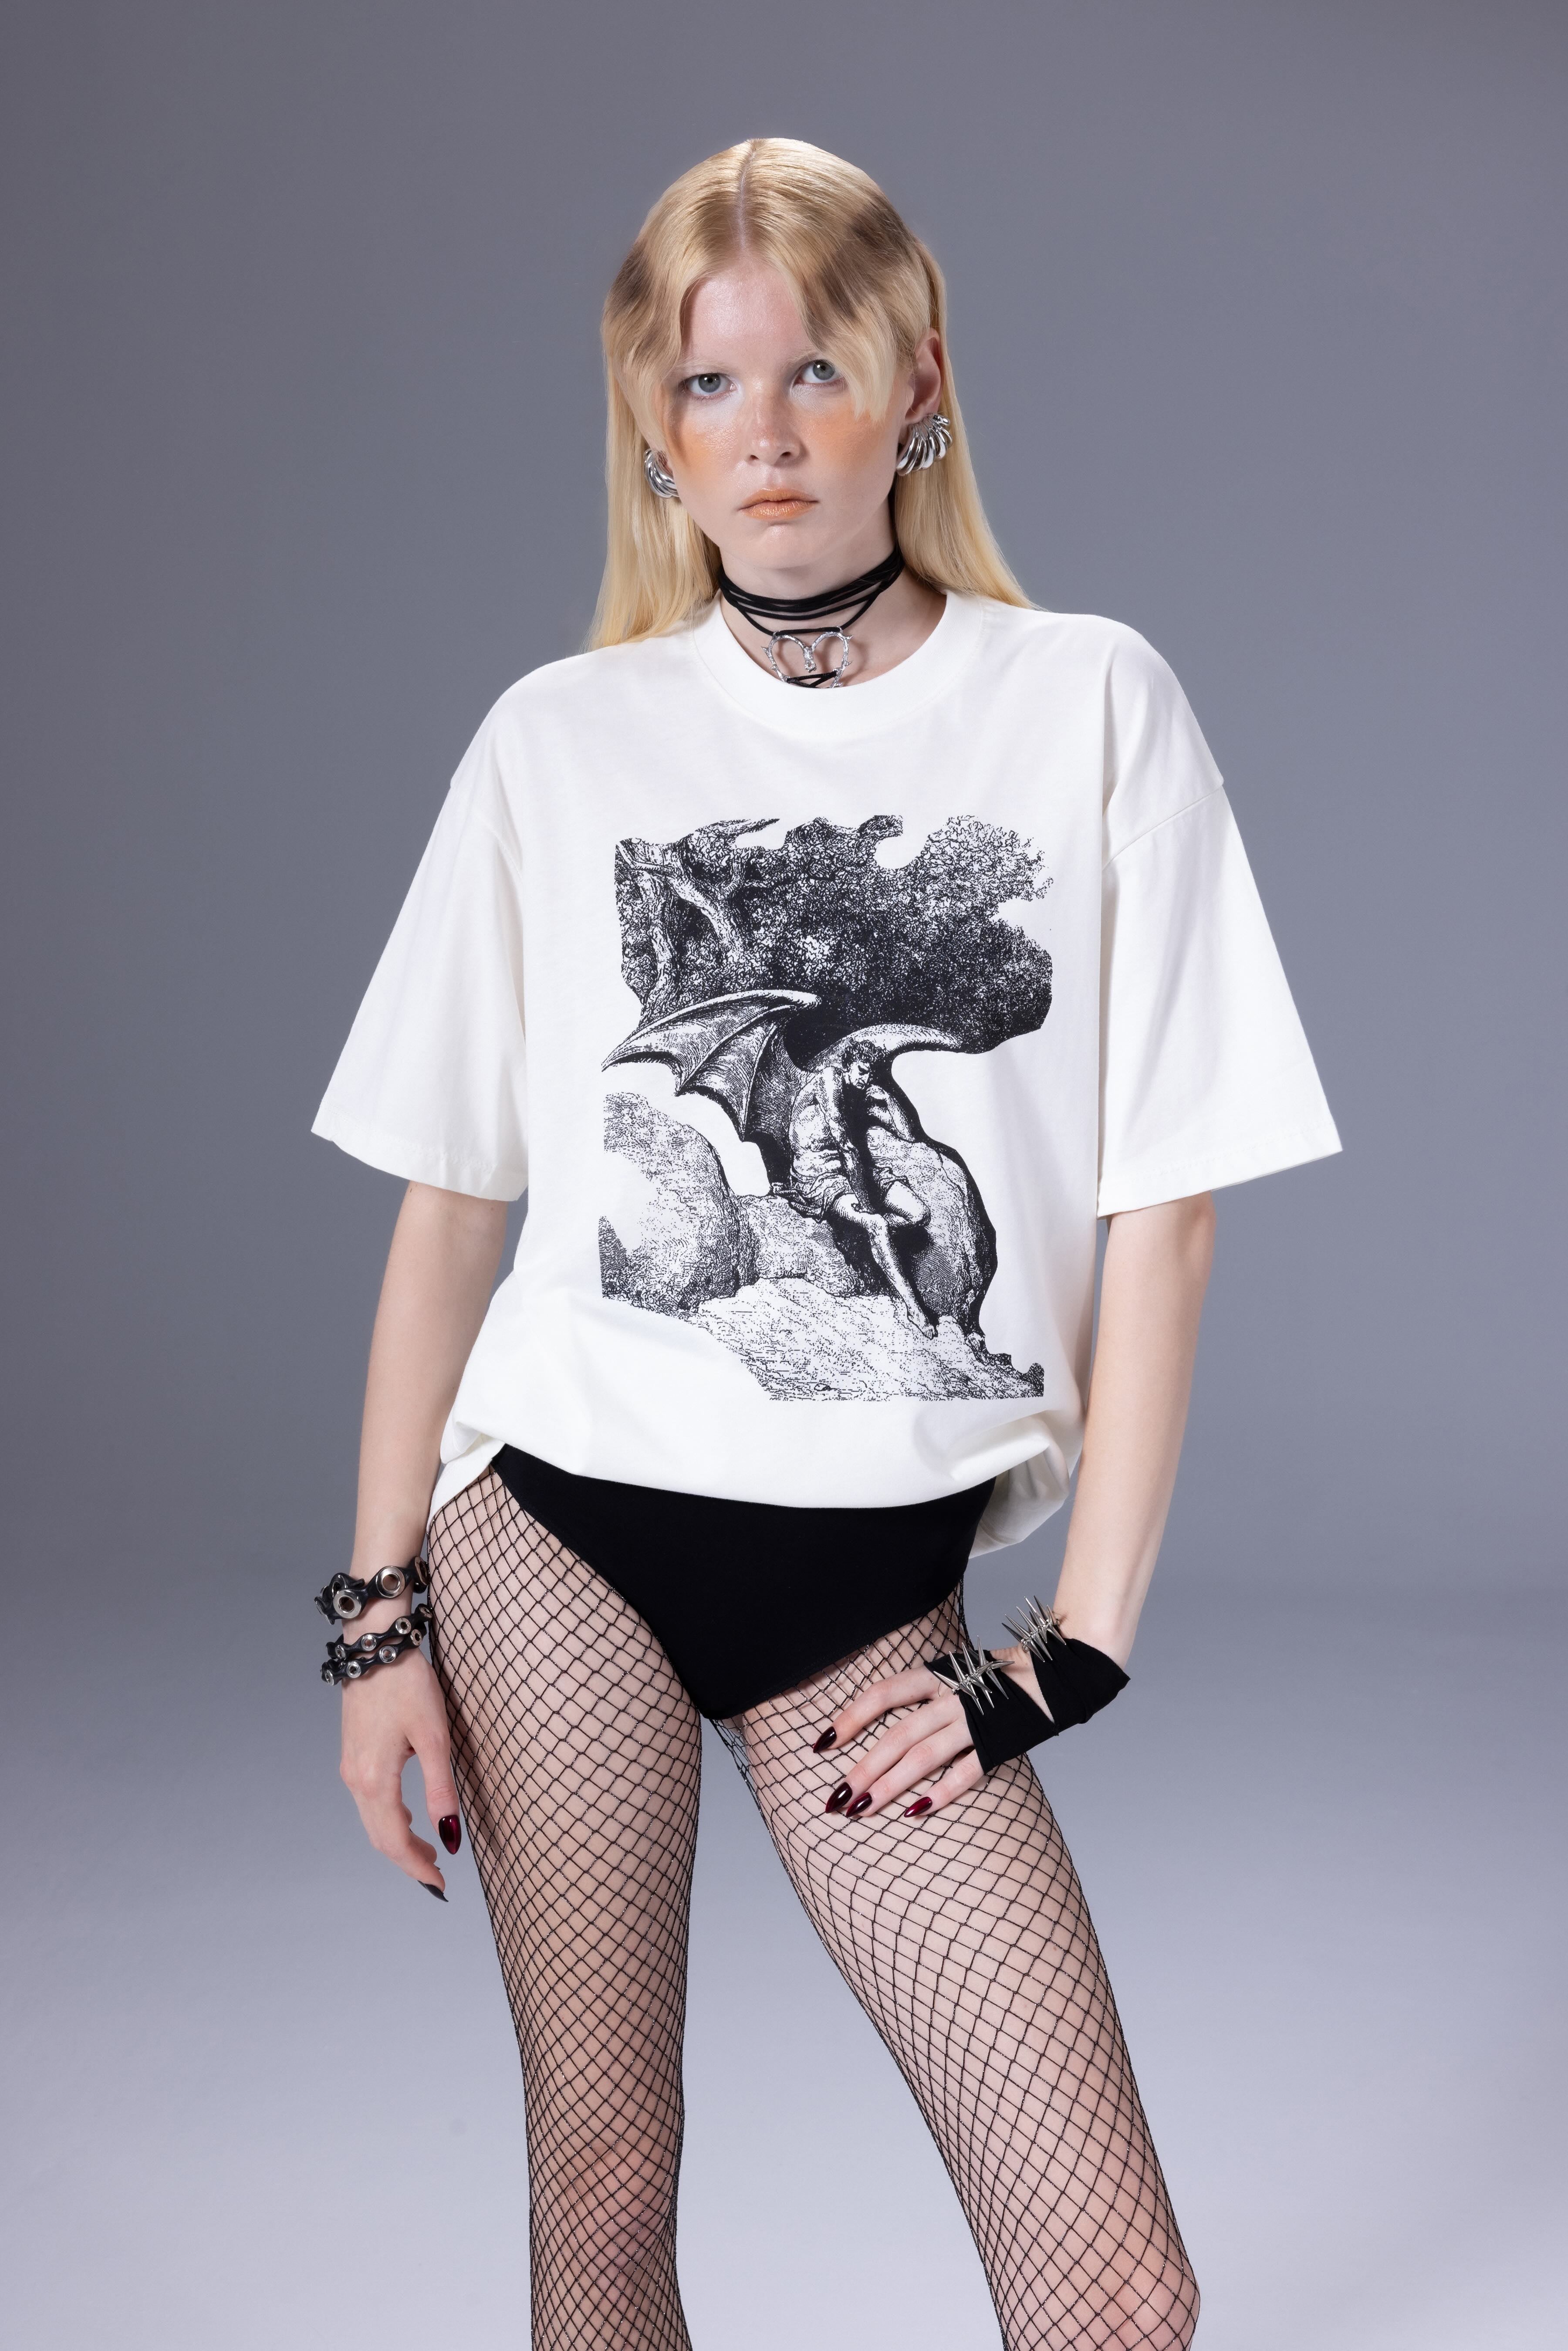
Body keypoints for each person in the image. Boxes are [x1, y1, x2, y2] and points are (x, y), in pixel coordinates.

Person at [312, 137, 1340, 2351]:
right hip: (556, 1534)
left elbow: (1167, 1215)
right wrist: (379, 1616)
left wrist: (1073, 1649)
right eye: (707, 385)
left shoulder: (1092, 704)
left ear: (919, 385)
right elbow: (454, 1203)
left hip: (873, 1600)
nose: (764, 433)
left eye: (814, 371)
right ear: (652, 430)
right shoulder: (557, 743)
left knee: (1117, 2291)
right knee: (604, 2194)